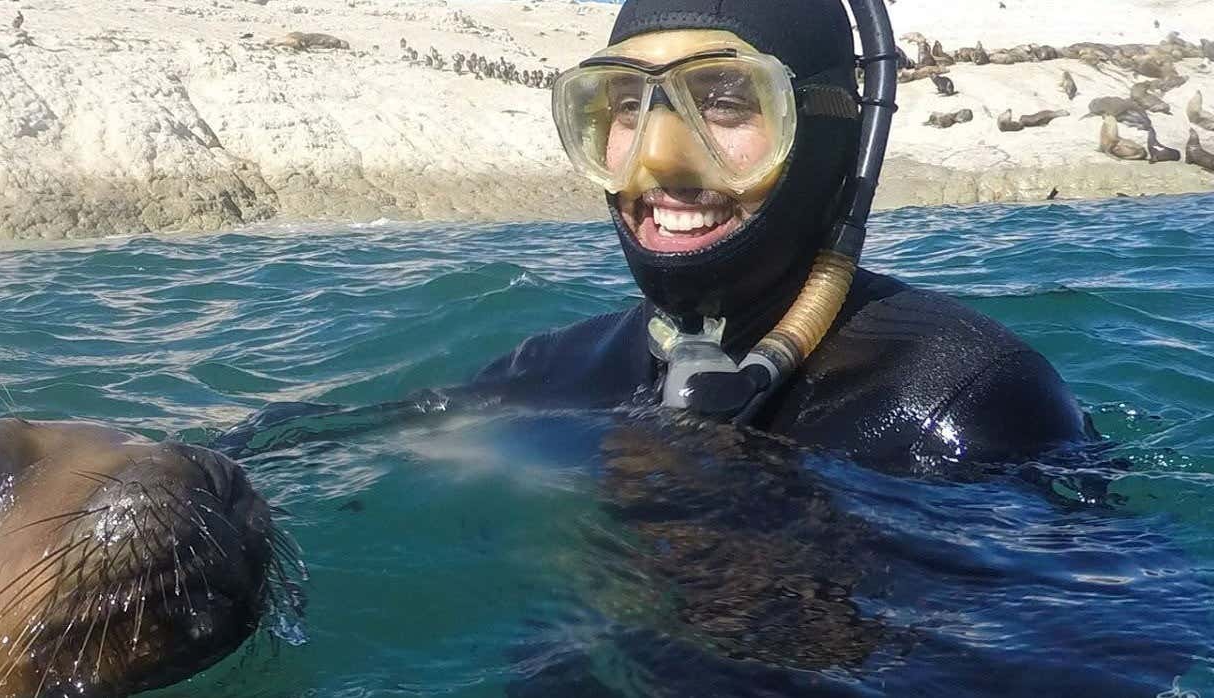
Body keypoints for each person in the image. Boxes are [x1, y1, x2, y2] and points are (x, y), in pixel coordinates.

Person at [215, 0, 1094, 471]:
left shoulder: (962, 404)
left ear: (828, 129)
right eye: (623, 108)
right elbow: (347, 449)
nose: (659, 164)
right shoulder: (559, 367)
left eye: (724, 100)